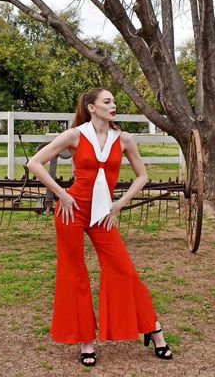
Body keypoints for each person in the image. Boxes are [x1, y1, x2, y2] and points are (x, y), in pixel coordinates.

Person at [27, 88, 173, 367]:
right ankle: (86, 342)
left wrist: (119, 204)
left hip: (103, 214)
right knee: (75, 274)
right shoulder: (75, 135)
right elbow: (34, 163)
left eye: (114, 101)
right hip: (72, 211)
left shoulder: (124, 139)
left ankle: (154, 330)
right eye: (107, 101)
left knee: (124, 270)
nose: (114, 105)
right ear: (92, 107)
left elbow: (142, 176)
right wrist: (62, 194)